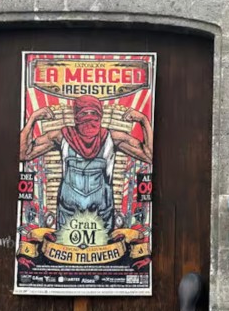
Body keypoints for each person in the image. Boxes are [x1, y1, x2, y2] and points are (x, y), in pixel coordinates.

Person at [19, 96, 152, 234]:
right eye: (83, 113)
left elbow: (149, 155)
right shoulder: (61, 136)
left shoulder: (112, 138)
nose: (89, 118)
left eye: (93, 113)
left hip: (101, 213)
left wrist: (144, 120)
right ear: (76, 117)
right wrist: (33, 118)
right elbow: (23, 154)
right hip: (68, 213)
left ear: (100, 116)